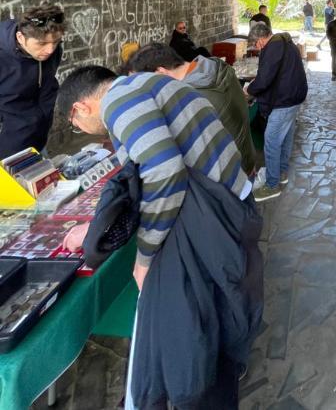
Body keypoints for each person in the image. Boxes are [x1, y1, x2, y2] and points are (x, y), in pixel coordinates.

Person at [56, 65, 258, 409]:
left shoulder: (118, 101)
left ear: (80, 108)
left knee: (192, 330)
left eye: (76, 126)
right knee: (215, 320)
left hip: (212, 221)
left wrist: (145, 256)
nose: (84, 131)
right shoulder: (151, 83)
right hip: (232, 207)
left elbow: (164, 170)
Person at [126, 43, 257, 176]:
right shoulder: (216, 66)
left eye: (145, 82)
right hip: (246, 158)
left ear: (161, 72)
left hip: (228, 176)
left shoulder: (188, 99)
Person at [246, 21, 308, 202]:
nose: (257, 48)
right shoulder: (286, 43)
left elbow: (265, 79)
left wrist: (249, 90)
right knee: (286, 137)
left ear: (260, 40)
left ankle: (272, 185)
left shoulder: (273, 48)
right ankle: (281, 172)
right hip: (294, 97)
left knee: (271, 141)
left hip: (284, 101)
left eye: (256, 45)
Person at [0, 3, 65, 159]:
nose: (50, 50)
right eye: (41, 43)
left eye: (55, 42)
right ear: (21, 38)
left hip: (39, 138)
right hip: (8, 146)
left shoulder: (53, 51)